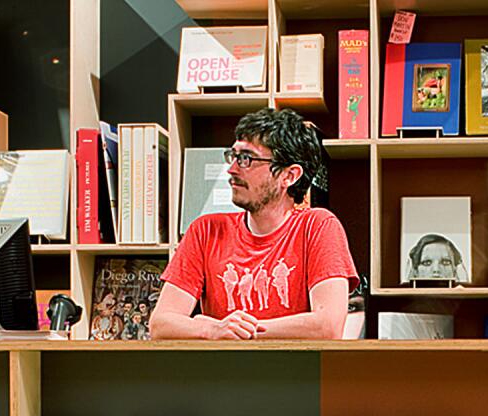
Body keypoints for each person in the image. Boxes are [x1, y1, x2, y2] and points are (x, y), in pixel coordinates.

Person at [152, 108, 357, 340]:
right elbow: (160, 324)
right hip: (221, 374)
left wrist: (237, 330)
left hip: (296, 374)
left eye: (246, 159)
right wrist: (212, 329)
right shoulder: (205, 230)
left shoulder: (318, 226)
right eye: (233, 156)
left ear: (289, 176)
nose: (232, 169)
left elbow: (328, 326)